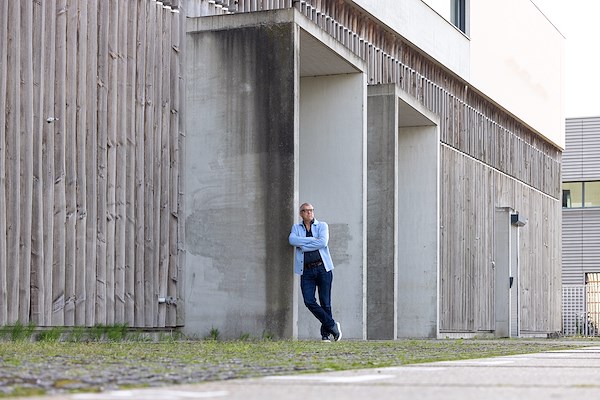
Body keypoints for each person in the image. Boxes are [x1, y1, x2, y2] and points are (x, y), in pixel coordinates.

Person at [289, 203, 342, 342]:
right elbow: (292, 240)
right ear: (301, 213)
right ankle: (332, 325)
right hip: (306, 270)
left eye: (311, 210)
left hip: (323, 268)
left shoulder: (322, 226)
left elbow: (323, 243)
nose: (309, 213)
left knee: (325, 302)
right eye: (306, 211)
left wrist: (303, 245)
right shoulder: (296, 228)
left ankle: (326, 335)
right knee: (309, 301)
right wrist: (313, 240)